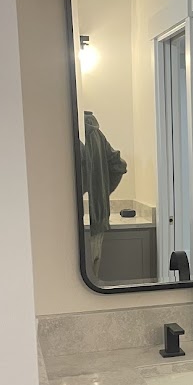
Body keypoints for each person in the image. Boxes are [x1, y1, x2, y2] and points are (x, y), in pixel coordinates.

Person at [81, 111, 127, 276]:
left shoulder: (64, 130)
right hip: (97, 217)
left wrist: (93, 189)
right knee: (91, 281)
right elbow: (118, 165)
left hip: (64, 223)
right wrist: (100, 192)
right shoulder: (96, 134)